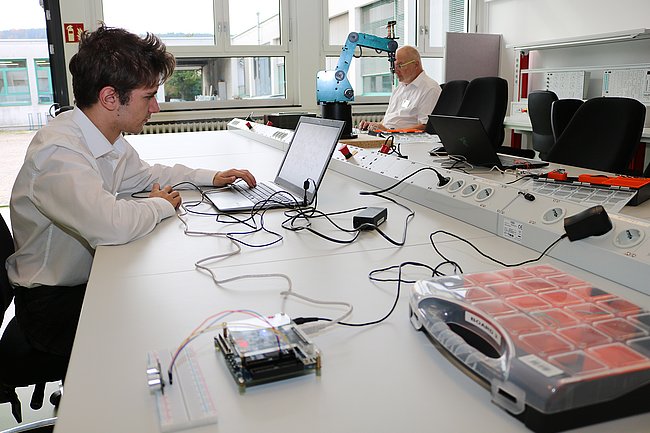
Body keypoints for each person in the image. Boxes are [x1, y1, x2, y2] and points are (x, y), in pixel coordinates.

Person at [5, 25, 256, 360]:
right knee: (162, 329)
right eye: (149, 97)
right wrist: (160, 206)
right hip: (51, 304)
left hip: (84, 283)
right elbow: (111, 226)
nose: (155, 108)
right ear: (110, 98)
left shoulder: (101, 137)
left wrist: (211, 177)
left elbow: (146, 176)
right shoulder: (58, 154)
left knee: (168, 300)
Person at [359, 46, 441, 132]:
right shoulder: (400, 88)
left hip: (405, 138)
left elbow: (426, 127)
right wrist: (375, 126)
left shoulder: (430, 89)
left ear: (416, 65)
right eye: (395, 66)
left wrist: (389, 131)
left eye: (400, 65)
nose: (395, 70)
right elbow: (390, 119)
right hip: (388, 135)